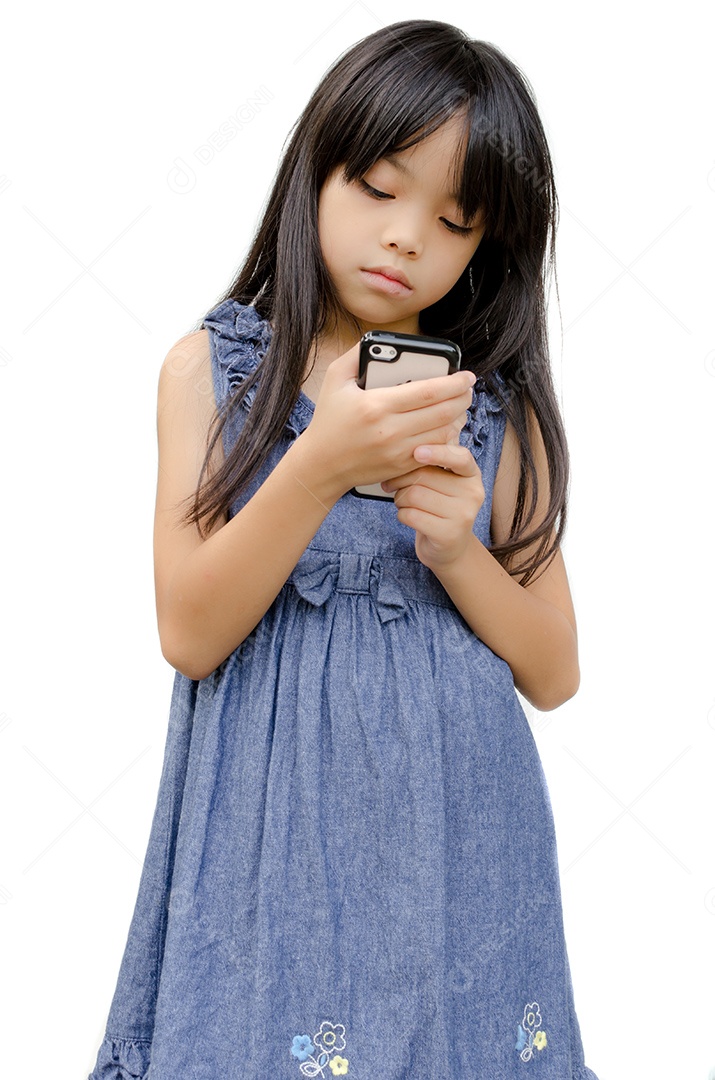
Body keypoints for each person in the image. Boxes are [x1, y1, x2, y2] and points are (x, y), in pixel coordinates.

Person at [88, 19, 599, 1080]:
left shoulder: (495, 411)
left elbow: (554, 672)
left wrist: (458, 552)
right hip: (272, 846)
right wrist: (318, 463)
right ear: (312, 174)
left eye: (454, 219)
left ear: (487, 244)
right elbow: (190, 631)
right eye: (376, 185)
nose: (406, 235)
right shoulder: (212, 372)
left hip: (462, 844)